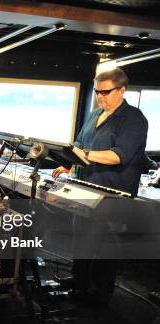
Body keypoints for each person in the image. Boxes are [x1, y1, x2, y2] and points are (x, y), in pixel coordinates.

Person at [53, 68, 148, 305]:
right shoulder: (95, 115)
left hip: (113, 195)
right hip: (85, 188)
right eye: (97, 92)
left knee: (103, 245)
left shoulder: (133, 119)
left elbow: (119, 156)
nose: (100, 97)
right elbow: (79, 145)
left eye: (105, 92)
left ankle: (98, 294)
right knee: (82, 237)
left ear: (122, 90)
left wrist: (84, 154)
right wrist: (69, 166)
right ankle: (79, 281)